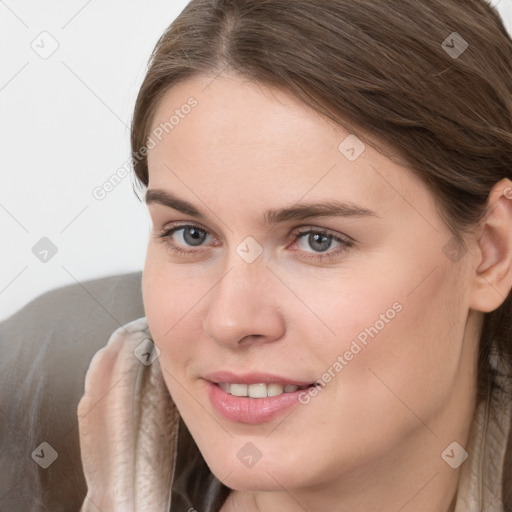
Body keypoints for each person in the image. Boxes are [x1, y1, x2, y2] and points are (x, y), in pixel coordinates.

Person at [77, 0, 512, 510]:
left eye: (317, 240)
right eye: (191, 234)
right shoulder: (27, 436)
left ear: (489, 252)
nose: (230, 320)